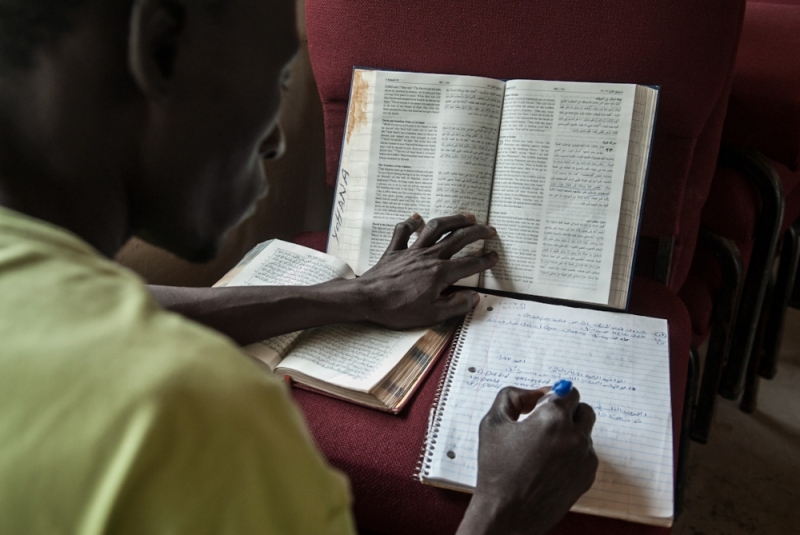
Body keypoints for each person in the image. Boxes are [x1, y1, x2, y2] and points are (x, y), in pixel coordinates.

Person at [0, 0, 598, 533]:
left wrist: (354, 297)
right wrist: (503, 508)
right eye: (281, 76)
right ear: (160, 48)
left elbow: (117, 302)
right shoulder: (200, 415)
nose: (278, 144)